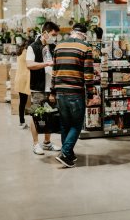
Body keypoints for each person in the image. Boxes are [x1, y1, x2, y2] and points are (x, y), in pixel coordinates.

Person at [50, 23, 94, 168]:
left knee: (65, 124)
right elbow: (88, 75)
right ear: (84, 34)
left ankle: (68, 155)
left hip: (60, 91)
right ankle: (65, 152)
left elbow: (54, 71)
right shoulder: (85, 47)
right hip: (75, 92)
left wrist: (52, 91)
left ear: (71, 32)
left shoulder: (58, 46)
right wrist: (91, 95)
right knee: (76, 124)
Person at [26, 22, 61, 155]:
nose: (54, 37)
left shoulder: (53, 47)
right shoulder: (33, 47)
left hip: (51, 87)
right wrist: (46, 63)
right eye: (53, 34)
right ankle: (35, 144)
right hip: (38, 87)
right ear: (45, 33)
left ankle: (47, 142)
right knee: (36, 115)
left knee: (50, 116)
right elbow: (29, 65)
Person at [14, 44, 31, 129]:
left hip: (20, 78)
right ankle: (22, 121)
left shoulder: (20, 52)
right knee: (23, 101)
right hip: (24, 78)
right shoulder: (26, 52)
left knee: (22, 102)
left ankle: (21, 121)